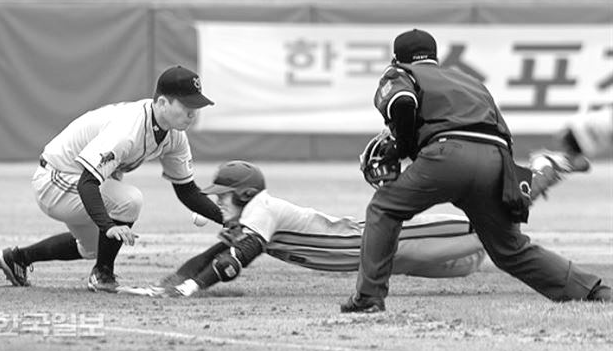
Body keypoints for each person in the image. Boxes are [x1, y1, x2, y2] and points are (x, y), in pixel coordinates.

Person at [340, 29, 612, 313]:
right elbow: (503, 135)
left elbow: (403, 102)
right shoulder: (470, 82)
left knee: (384, 209)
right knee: (510, 249)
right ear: (434, 57)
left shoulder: (400, 73)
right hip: (495, 157)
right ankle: (594, 292)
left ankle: (369, 297)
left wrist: (401, 149)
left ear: (398, 58)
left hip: (446, 155)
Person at [118, 151, 580, 298]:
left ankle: (540, 172)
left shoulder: (261, 208)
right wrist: (172, 281)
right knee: (468, 264)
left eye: (222, 195)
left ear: (241, 194)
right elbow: (216, 253)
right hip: (385, 256)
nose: (218, 202)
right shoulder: (251, 212)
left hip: (385, 241)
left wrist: (190, 289)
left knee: (493, 232)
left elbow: (240, 255)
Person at [0, 66, 224, 293]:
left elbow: (187, 191)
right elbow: (87, 182)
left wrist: (228, 220)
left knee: (95, 246)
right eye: (187, 105)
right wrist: (108, 225)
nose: (193, 113)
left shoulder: (175, 137)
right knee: (129, 201)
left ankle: (17, 258)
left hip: (80, 181)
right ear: (163, 103)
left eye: (197, 106)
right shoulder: (128, 130)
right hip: (55, 178)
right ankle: (102, 274)